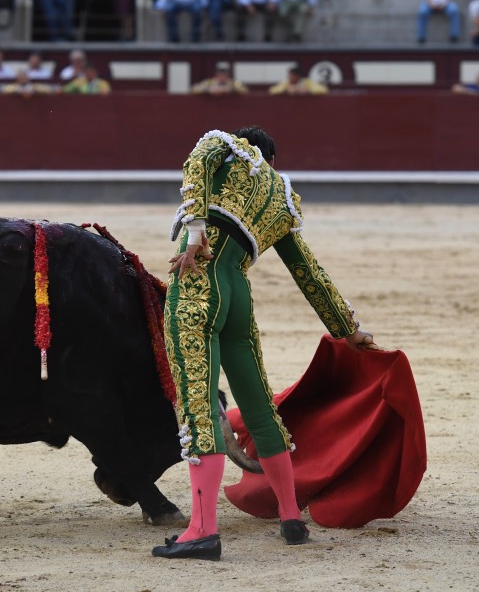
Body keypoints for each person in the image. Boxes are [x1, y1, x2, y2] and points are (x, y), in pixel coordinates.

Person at [152, 126, 375, 561]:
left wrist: (195, 234)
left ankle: (202, 530)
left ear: (245, 147)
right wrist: (346, 329)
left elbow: (197, 160)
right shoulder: (280, 198)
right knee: (258, 406)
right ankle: (291, 517)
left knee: (198, 403)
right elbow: (307, 270)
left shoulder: (225, 148)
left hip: (198, 283)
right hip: (238, 298)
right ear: (273, 160)